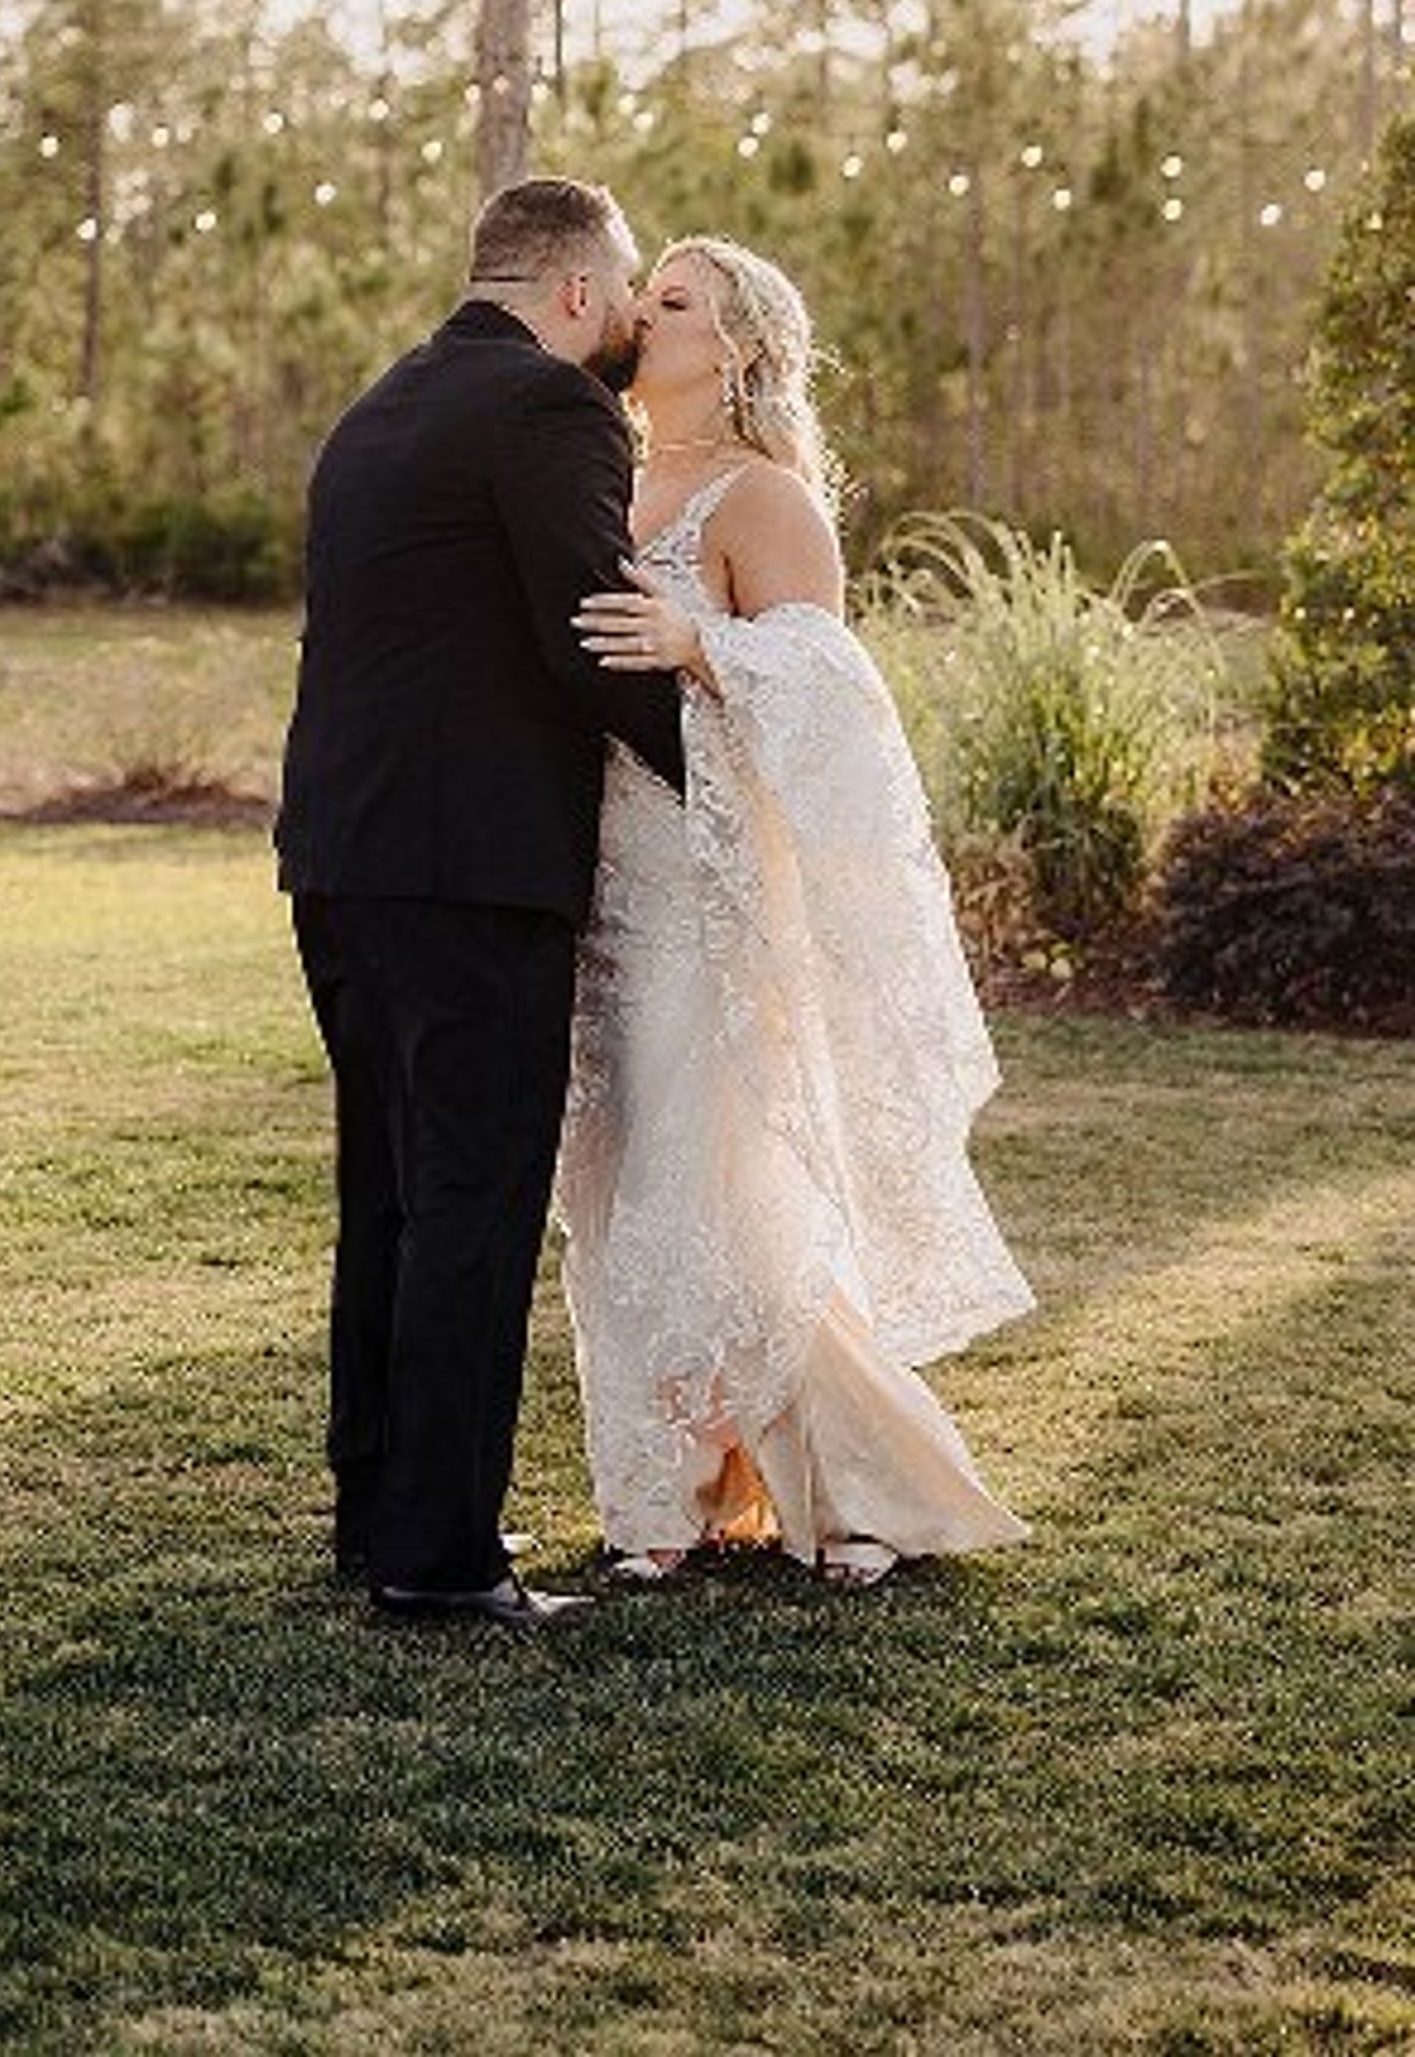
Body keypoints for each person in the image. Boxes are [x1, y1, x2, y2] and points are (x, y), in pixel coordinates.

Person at [564, 237, 1034, 1586]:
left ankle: (859, 1492)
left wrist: (700, 642)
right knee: (610, 1185)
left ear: (741, 350)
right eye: (643, 297)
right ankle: (661, 1498)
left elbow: (835, 698)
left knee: (710, 1187)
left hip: (704, 901)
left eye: (671, 305)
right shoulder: (603, 473)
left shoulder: (761, 499)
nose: (638, 318)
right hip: (597, 879)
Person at [276, 176, 691, 1629]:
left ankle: (374, 1515)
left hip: (339, 860)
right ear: (577, 291)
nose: (634, 323)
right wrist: (730, 786)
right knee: (473, 1200)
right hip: (469, 873)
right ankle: (443, 1559)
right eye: (629, 295)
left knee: (388, 1194)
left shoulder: (379, 409)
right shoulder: (548, 409)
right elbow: (597, 638)